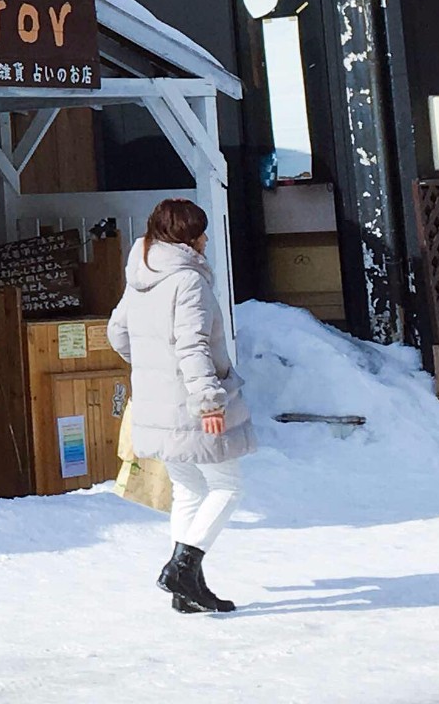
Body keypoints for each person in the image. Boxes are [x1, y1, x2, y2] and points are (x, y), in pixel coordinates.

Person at [107, 198, 255, 615]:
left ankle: (184, 589)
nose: (206, 238)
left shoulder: (141, 276)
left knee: (190, 488)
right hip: (192, 403)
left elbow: (117, 333)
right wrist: (210, 402)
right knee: (228, 486)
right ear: (186, 237)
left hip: (158, 403)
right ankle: (183, 569)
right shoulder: (188, 281)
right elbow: (193, 345)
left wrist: (152, 369)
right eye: (200, 232)